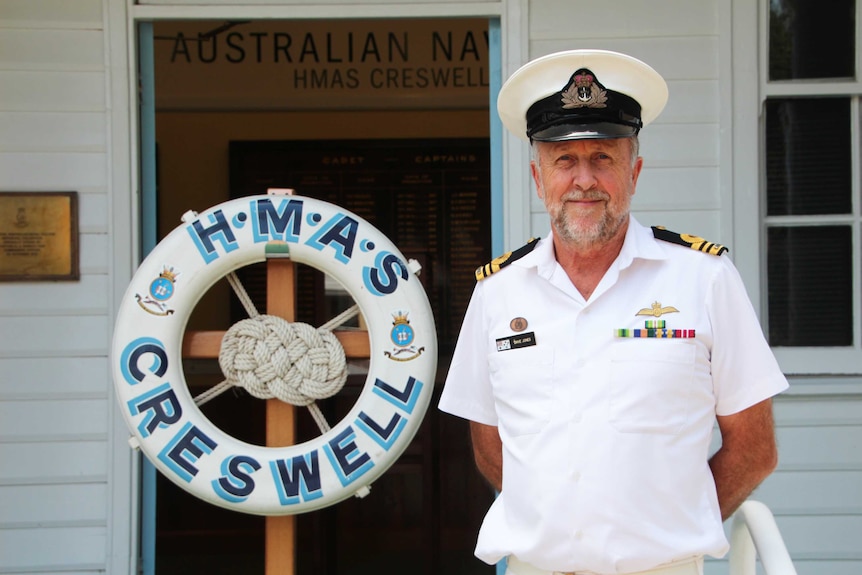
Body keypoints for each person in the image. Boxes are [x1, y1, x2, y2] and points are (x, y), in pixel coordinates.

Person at [438, 49, 789, 575]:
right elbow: (487, 437)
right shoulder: (498, 294)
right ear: (538, 178)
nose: (584, 180)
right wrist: (552, 521)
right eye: (564, 160)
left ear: (634, 171)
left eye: (603, 157)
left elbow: (755, 446)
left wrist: (668, 530)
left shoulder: (703, 279)